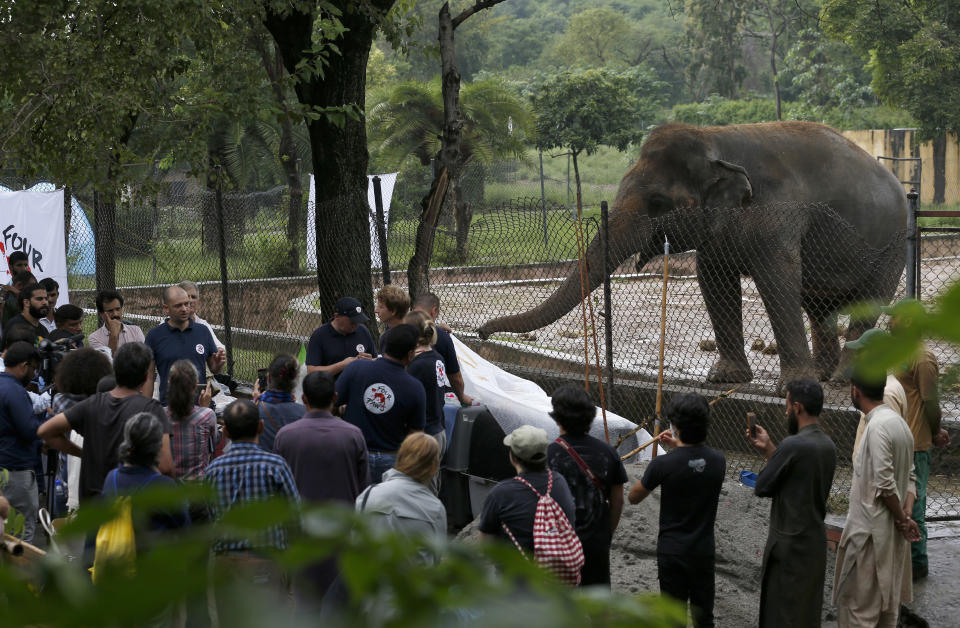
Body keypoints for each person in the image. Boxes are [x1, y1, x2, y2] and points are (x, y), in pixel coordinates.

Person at [627, 393, 725, 628]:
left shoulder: (663, 465)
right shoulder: (718, 461)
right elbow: (694, 462)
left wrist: (670, 456)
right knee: (704, 616)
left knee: (673, 617)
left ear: (675, 427)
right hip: (703, 551)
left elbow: (634, 497)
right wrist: (679, 447)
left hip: (672, 552)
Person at [746, 379, 838, 628]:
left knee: (780, 614)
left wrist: (774, 454)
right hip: (813, 544)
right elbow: (796, 476)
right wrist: (769, 449)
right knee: (806, 614)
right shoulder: (828, 445)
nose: (786, 411)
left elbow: (763, 486)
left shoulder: (792, 445)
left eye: (787, 405)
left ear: (797, 407)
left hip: (788, 545)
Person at [834, 371, 920, 627]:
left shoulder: (877, 427)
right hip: (890, 535)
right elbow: (910, 477)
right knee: (886, 612)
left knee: (859, 614)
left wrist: (901, 518)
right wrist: (905, 514)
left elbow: (885, 484)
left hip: (870, 537)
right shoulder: (899, 423)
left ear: (855, 390)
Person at [275, 371, 369, 604]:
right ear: (335, 397)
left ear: (304, 399)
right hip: (341, 534)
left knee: (304, 603)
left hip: (300, 535)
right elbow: (364, 489)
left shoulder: (285, 436)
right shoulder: (354, 435)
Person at [38, 342, 174, 503]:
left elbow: (45, 432)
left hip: (93, 510)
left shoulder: (91, 405)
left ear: (115, 371)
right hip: (131, 511)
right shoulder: (151, 409)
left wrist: (82, 453)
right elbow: (165, 466)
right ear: (145, 377)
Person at [206, 400, 299, 616]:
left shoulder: (213, 470)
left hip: (226, 565)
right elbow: (294, 517)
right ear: (260, 427)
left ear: (226, 431)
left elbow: (211, 518)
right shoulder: (276, 465)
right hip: (267, 562)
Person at [888, 303, 950, 581]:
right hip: (894, 439)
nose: (891, 320)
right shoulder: (896, 353)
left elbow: (930, 402)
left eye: (896, 316)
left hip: (915, 444)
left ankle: (917, 564)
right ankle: (899, 559)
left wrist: (936, 432)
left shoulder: (923, 358)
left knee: (917, 504)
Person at [546, 385, 627, 587]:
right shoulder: (608, 453)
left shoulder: (550, 454)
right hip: (596, 542)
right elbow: (617, 500)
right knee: (598, 604)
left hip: (560, 543)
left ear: (557, 416)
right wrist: (607, 532)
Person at [335, 324, 426, 483]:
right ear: (411, 354)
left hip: (353, 452)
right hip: (391, 459)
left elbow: (330, 402)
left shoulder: (356, 368)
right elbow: (415, 435)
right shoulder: (415, 387)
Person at [479, 425, 576, 555]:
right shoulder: (559, 482)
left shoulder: (501, 493)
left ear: (513, 457)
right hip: (557, 571)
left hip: (515, 572)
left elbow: (485, 545)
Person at [357, 432, 446, 560]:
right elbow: (436, 557)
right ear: (433, 467)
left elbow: (356, 542)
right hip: (413, 578)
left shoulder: (369, 494)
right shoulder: (435, 509)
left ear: (401, 457)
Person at [102, 412, 190, 539]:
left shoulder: (112, 478)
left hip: (117, 556)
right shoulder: (165, 486)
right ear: (158, 447)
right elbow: (185, 529)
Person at [145, 285, 225, 405]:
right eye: (178, 305)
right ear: (166, 308)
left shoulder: (203, 331)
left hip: (201, 406)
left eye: (186, 304)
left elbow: (213, 368)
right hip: (170, 408)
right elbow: (149, 376)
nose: (184, 309)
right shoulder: (154, 336)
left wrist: (218, 365)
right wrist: (145, 407)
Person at [0, 341, 41, 542]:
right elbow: (29, 429)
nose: (33, 375)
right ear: (24, 366)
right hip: (15, 471)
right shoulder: (15, 391)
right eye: (33, 369)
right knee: (22, 533)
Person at [845, 328, 908, 456]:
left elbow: (888, 449)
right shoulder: (887, 382)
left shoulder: (885, 393)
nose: (856, 355)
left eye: (861, 351)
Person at [411, 292, 473, 405]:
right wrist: (461, 397)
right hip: (431, 408)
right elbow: (455, 378)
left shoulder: (398, 331)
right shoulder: (442, 338)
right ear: (434, 310)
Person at [402, 311, 447, 458]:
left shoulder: (418, 364)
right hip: (437, 429)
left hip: (423, 436)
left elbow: (407, 401)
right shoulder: (436, 356)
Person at [166, 360, 219, 481]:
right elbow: (214, 442)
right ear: (195, 385)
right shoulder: (207, 415)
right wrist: (204, 408)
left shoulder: (159, 415)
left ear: (169, 384)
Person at [305, 296, 378, 377]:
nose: (356, 324)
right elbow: (311, 372)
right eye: (352, 321)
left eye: (358, 320)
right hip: (331, 387)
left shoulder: (363, 330)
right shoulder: (319, 335)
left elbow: (376, 359)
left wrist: (370, 361)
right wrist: (343, 365)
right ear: (337, 316)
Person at [256, 354, 306, 453]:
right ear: (295, 382)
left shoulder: (254, 408)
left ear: (268, 378)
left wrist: (256, 399)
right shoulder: (304, 413)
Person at [88, 289, 146, 356]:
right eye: (110, 311)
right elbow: (107, 363)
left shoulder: (135, 331)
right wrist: (113, 335)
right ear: (101, 314)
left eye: (118, 309)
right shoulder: (95, 338)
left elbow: (144, 358)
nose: (115, 314)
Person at [178, 280, 226, 351]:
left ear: (198, 301)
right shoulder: (167, 324)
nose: (191, 301)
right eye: (187, 296)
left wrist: (219, 352)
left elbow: (219, 346)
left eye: (193, 297)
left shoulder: (203, 325)